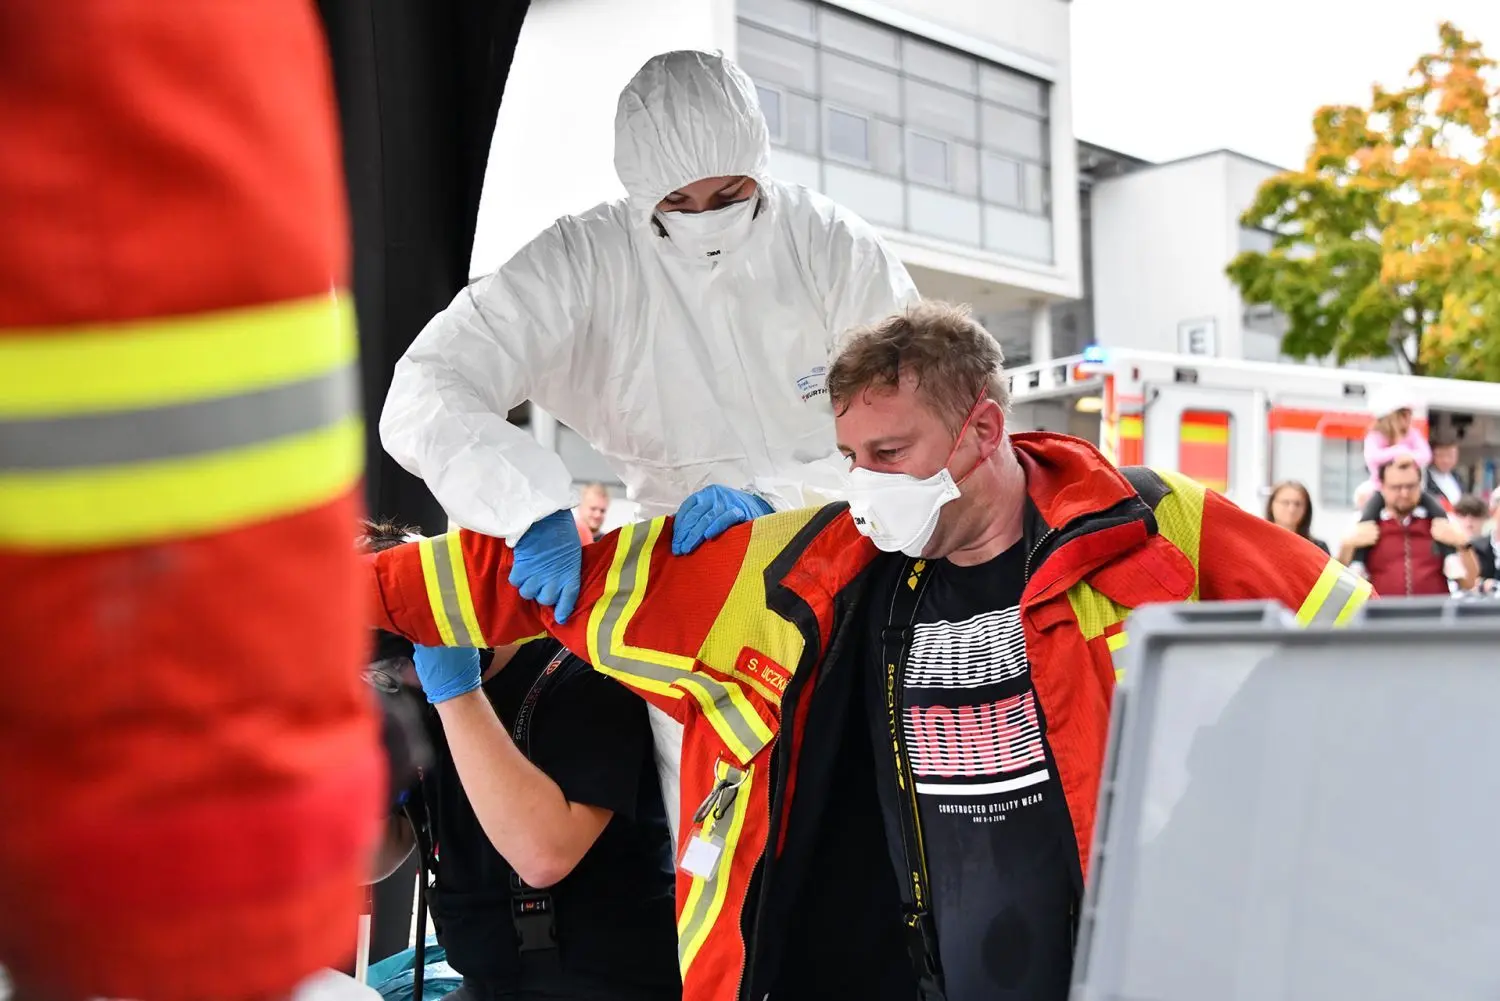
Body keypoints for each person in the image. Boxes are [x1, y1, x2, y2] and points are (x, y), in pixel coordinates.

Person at [360, 301, 1371, 1001]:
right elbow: (537, 578)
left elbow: (1366, 648)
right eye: (851, 456)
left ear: (982, 427)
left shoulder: (1150, 524)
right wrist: (341, 587)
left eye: (891, 452)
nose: (868, 481)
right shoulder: (818, 566)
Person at [379, 47, 917, 834]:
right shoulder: (586, 264)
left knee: (876, 823)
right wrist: (526, 503)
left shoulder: (830, 245)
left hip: (852, 560)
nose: (707, 215)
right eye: (679, 201)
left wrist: (779, 503)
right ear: (640, 194)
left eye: (729, 194)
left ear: (759, 165)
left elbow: (914, 436)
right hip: (688, 588)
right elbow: (428, 383)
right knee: (723, 841)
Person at [361, 523, 680, 1001]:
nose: (391, 685)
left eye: (387, 669)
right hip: (485, 981)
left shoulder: (585, 666)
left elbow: (545, 856)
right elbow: (372, 859)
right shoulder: (415, 696)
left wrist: (457, 696)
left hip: (604, 983)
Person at [1338, 456, 1477, 596]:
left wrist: (1463, 544)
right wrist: (1347, 546)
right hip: (1381, 609)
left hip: (1434, 609)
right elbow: (1340, 583)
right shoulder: (1361, 524)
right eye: (1396, 487)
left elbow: (1469, 582)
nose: (1404, 493)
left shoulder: (1442, 522)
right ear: (1383, 487)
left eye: (1411, 486)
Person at [1265, 480, 1329, 554]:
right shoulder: (1258, 543)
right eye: (1285, 502)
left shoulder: (1318, 548)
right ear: (1271, 505)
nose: (1292, 509)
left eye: (1297, 504)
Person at [1425, 439, 1468, 510]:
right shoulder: (1425, 478)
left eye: (1450, 456)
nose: (1445, 460)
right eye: (1441, 455)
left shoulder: (1457, 476)